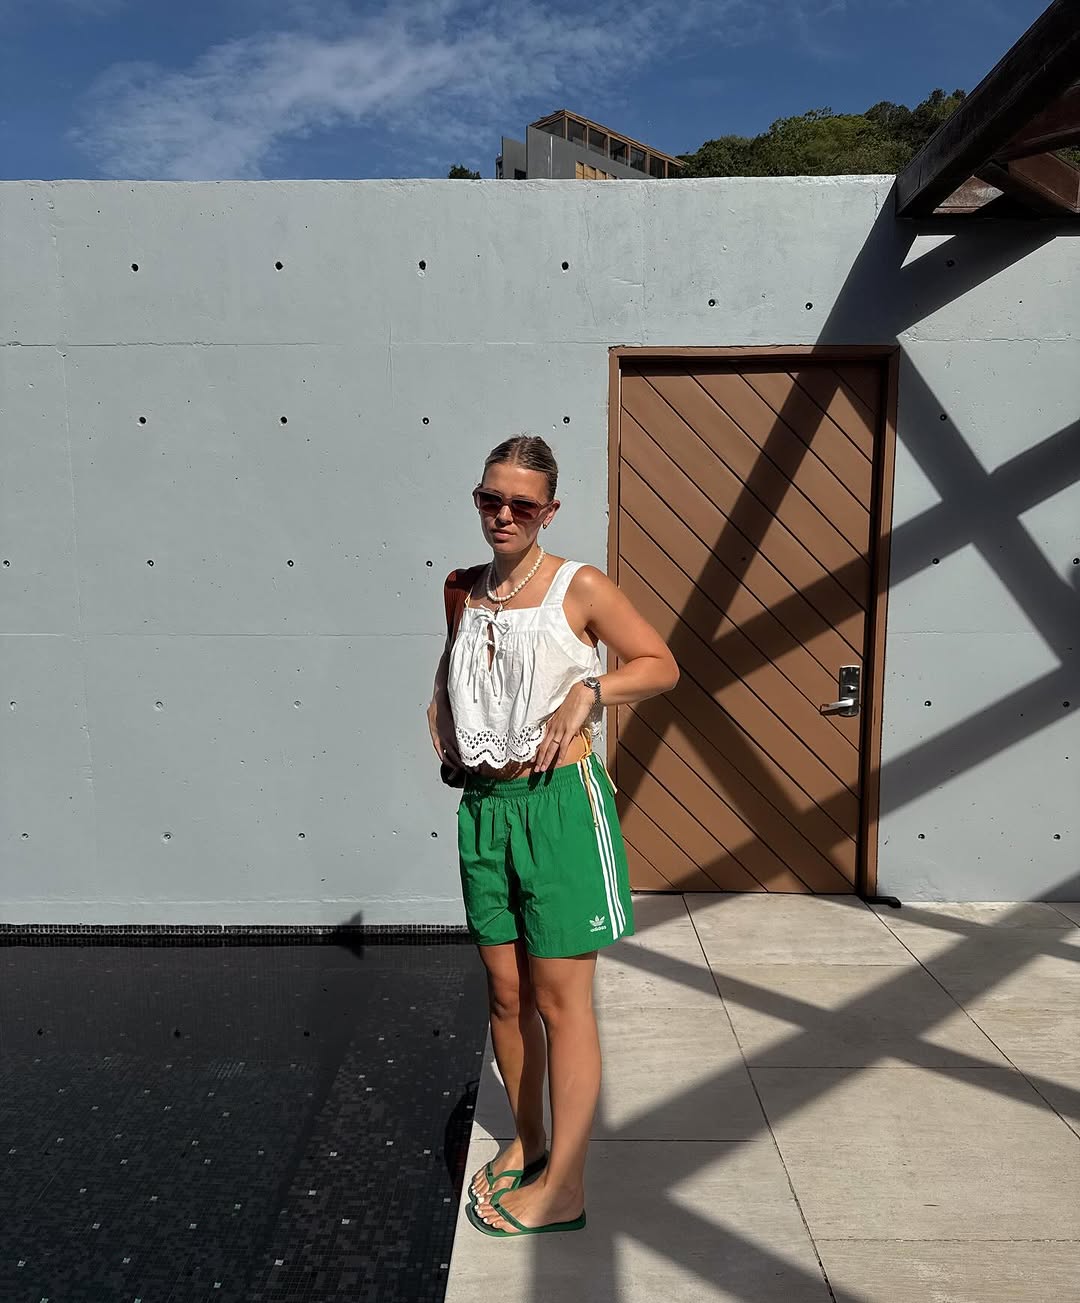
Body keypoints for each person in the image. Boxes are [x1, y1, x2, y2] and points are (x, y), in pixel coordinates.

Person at [426, 434, 679, 1238]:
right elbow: (455, 664)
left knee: (563, 1003)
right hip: (485, 809)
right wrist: (436, 700)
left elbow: (660, 663)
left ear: (549, 510)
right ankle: (530, 1143)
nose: (503, 514)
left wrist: (592, 692)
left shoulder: (580, 586)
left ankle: (565, 1184)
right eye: (490, 499)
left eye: (521, 505)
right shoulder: (463, 589)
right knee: (506, 995)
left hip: (562, 808)